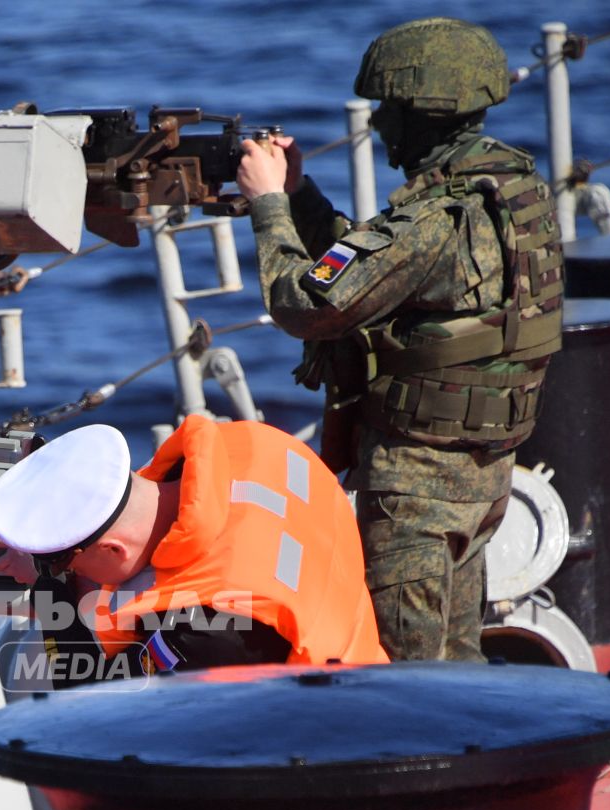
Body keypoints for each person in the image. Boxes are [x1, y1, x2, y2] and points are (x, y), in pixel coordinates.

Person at [235, 17, 563, 661]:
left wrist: (268, 204)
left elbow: (305, 303)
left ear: (424, 116)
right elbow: (381, 267)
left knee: (407, 683)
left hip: (416, 491)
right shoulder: (511, 190)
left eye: (391, 109)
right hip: (480, 475)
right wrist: (303, 195)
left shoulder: (432, 219)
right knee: (459, 660)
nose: (379, 125)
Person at [0, 417, 388, 686]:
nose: (57, 568)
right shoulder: (253, 441)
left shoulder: (216, 628)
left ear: (114, 549)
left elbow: (93, 703)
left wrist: (51, 590)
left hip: (323, 762)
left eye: (58, 561)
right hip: (364, 657)